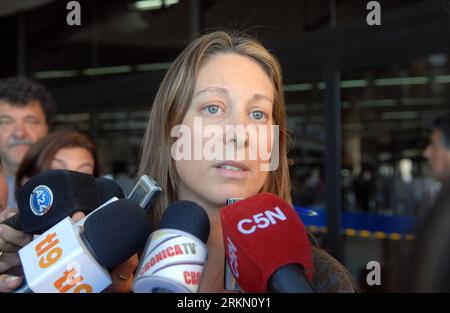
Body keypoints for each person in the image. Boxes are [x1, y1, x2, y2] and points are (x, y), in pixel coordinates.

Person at [138, 30, 358, 292]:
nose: (239, 134)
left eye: (257, 114)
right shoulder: (118, 266)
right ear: (171, 130)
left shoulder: (319, 280)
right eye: (213, 108)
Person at [0, 131, 137, 293]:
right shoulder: (8, 246)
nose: (71, 190)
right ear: (26, 182)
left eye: (84, 176)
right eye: (57, 173)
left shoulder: (111, 255)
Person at [0, 77, 53, 209]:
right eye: (6, 121)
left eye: (31, 121)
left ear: (47, 128)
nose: (19, 133)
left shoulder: (66, 185)